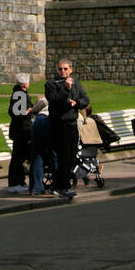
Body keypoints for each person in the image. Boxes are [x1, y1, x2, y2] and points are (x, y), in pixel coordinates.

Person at [44, 59, 88, 197]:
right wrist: (66, 89)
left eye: (65, 69)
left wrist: (77, 103)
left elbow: (85, 99)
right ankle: (63, 186)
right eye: (60, 69)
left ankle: (56, 184)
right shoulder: (52, 84)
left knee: (72, 155)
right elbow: (54, 100)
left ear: (71, 70)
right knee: (64, 156)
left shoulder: (76, 83)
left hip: (72, 123)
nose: (62, 71)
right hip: (59, 124)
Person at [6, 74, 35, 193]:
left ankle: (20, 181)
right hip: (21, 131)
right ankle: (15, 183)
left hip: (20, 130)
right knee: (18, 158)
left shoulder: (19, 93)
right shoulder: (20, 94)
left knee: (19, 157)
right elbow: (19, 113)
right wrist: (31, 109)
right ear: (26, 84)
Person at [28, 97, 52, 195]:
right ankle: (58, 186)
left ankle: (36, 188)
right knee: (54, 155)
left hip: (38, 122)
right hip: (48, 122)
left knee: (37, 156)